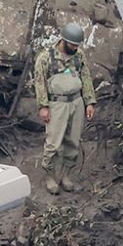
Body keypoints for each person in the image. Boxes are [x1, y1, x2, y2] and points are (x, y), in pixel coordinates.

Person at [33, 22, 97, 195]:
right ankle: (50, 176)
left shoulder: (79, 56)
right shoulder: (46, 57)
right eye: (72, 44)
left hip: (76, 102)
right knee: (53, 143)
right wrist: (43, 106)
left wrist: (89, 101)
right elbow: (39, 83)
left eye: (77, 45)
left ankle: (66, 176)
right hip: (57, 104)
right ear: (63, 40)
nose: (75, 47)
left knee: (73, 141)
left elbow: (86, 77)